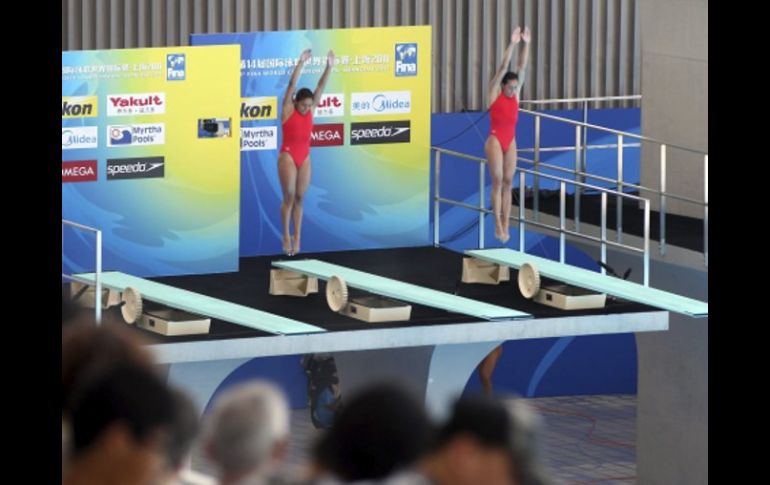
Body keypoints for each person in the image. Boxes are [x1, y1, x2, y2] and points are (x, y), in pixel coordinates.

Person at [279, 48, 335, 256]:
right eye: (303, 105)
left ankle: (298, 236)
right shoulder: (288, 110)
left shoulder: (311, 109)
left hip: (305, 157)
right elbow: (291, 85)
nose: (306, 109)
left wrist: (329, 67)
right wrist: (301, 62)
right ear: (295, 102)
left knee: (300, 198)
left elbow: (320, 86)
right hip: (287, 155)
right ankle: (286, 235)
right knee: (289, 196)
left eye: (309, 105)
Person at [485, 26, 531, 244]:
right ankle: (497, 224)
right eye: (510, 87)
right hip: (495, 140)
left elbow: (522, 67)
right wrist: (512, 43)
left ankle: (506, 224)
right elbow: (504, 66)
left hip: (510, 140)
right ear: (503, 86)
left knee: (508, 182)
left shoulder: (515, 95)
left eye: (515, 87)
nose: (513, 90)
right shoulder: (495, 93)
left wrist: (526, 44)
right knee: (497, 181)